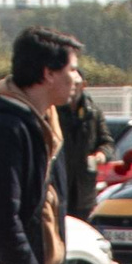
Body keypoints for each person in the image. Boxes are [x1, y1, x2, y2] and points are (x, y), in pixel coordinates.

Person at [0, 26, 81, 264]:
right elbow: (1, 216)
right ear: (48, 73)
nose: (77, 79)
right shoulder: (5, 128)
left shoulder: (45, 123)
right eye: (72, 70)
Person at [54, 80, 106, 222]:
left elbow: (106, 141)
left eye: (75, 85)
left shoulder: (93, 112)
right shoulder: (54, 111)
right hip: (60, 182)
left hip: (84, 188)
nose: (71, 88)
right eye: (67, 84)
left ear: (83, 85)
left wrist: (101, 154)